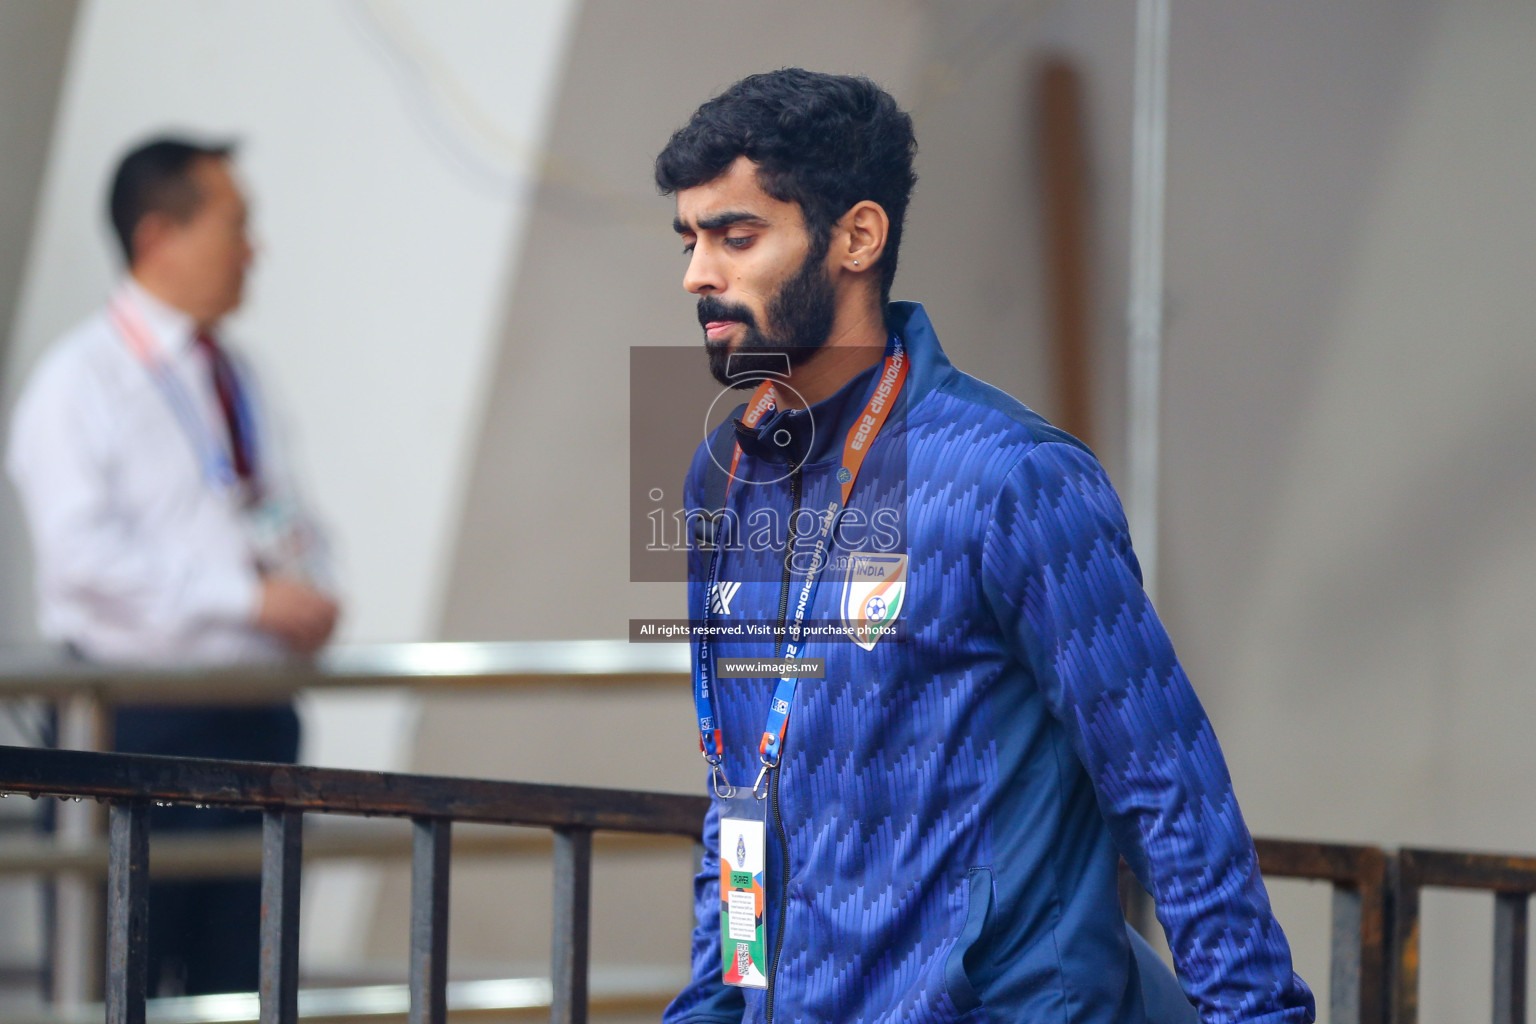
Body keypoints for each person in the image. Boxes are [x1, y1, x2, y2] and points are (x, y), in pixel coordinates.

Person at [656, 70, 1315, 1024]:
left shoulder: (1012, 479)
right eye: (691, 240)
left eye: (737, 236)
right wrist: (721, 1002)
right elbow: (740, 793)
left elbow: (1167, 787)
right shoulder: (725, 479)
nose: (698, 276)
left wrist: (1255, 1016)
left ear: (857, 237)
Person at [5, 137, 340, 996]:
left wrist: (307, 593)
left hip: (257, 724)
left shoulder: (235, 373)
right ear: (160, 236)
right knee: (123, 985)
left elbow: (280, 508)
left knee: (250, 993)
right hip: (137, 728)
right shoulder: (79, 381)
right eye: (236, 224)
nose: (252, 248)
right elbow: (84, 567)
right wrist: (249, 601)